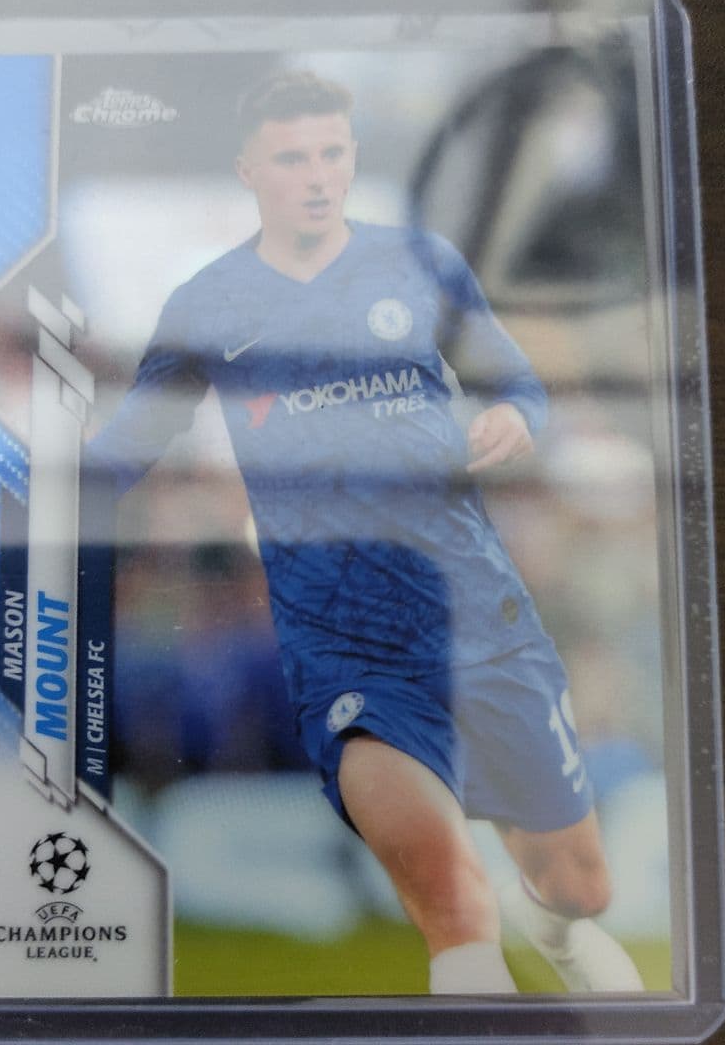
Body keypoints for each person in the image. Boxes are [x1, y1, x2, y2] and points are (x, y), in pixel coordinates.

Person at [87, 71, 643, 994]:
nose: (315, 175)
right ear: (249, 169)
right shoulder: (209, 302)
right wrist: (28, 486)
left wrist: (514, 416)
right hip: (346, 647)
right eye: (291, 158)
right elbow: (126, 445)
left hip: (483, 620)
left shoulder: (418, 262)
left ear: (349, 158)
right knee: (452, 903)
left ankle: (549, 921)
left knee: (579, 887)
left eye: (331, 154)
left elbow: (515, 383)